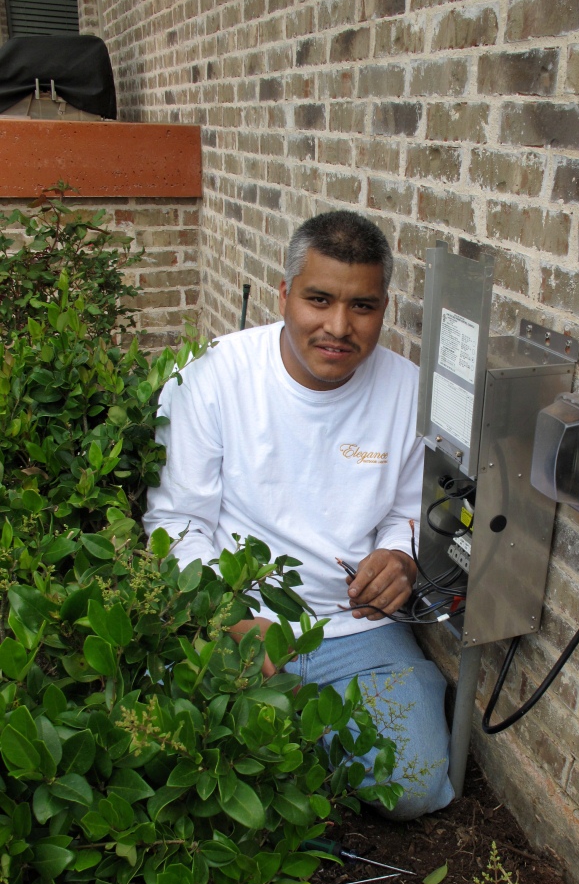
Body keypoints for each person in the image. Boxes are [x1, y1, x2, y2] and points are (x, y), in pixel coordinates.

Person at [144, 210, 454, 819]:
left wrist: (398, 555)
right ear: (284, 295)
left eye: (362, 307)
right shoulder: (211, 376)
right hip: (242, 619)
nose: (338, 327)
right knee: (165, 758)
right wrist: (231, 616)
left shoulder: (408, 394)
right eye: (318, 300)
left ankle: (290, 750)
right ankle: (301, 753)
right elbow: (176, 522)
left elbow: (404, 512)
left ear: (384, 309)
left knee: (414, 782)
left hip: (355, 629)